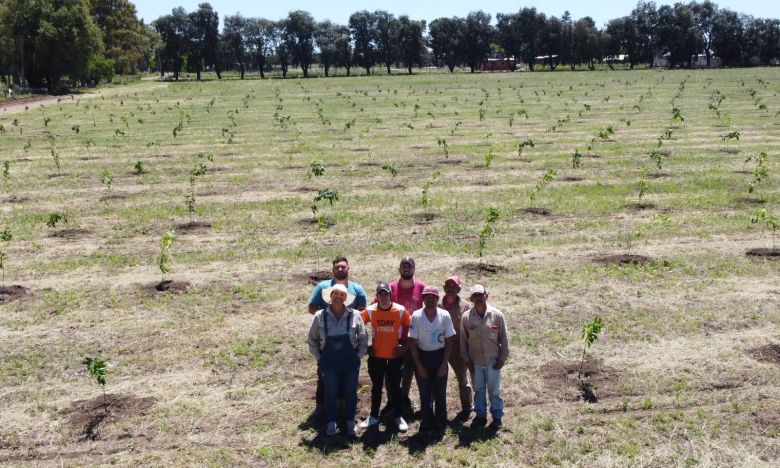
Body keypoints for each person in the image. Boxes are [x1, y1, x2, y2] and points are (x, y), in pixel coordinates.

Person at [307, 284, 368, 436]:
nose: (338, 297)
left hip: (350, 362)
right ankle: (331, 422)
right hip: (329, 363)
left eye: (342, 295)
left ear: (346, 298)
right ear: (330, 296)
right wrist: (319, 358)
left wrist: (358, 357)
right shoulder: (319, 316)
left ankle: (349, 422)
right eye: (336, 294)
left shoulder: (355, 315)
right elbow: (312, 340)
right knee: (331, 392)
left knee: (351, 393)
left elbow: (363, 338)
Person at [308, 256, 367, 412]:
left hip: (348, 344)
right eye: (337, 267)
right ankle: (321, 408)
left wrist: (358, 353)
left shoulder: (358, 289)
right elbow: (311, 308)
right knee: (324, 376)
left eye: (343, 267)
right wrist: (326, 319)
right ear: (333, 270)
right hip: (327, 342)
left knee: (347, 379)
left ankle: (343, 408)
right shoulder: (322, 287)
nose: (340, 269)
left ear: (348, 268)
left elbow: (362, 314)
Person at [359, 282, 411, 432]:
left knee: (395, 387)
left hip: (395, 356)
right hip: (377, 356)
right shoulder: (371, 310)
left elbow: (413, 327)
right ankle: (374, 416)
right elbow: (355, 324)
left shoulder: (400, 310)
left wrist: (405, 346)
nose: (383, 297)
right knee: (376, 387)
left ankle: (398, 416)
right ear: (376, 295)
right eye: (380, 294)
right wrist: (365, 347)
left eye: (385, 293)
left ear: (390, 294)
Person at [460, 284, 510, 430]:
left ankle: (497, 417)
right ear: (471, 299)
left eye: (481, 295)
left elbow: (504, 339)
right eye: (475, 296)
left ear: (486, 295)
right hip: (475, 362)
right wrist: (466, 360)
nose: (479, 298)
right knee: (479, 390)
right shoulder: (466, 317)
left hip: (493, 361)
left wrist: (502, 358)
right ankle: (480, 415)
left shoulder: (497, 315)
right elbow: (463, 340)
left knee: (495, 391)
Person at [408, 286, 455, 432]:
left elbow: (449, 341)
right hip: (423, 356)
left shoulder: (444, 315)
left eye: (433, 297)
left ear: (437, 299)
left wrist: (443, 364)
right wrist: (419, 366)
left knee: (440, 392)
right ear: (422, 299)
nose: (429, 300)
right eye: (426, 297)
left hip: (439, 356)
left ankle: (441, 421)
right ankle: (427, 420)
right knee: (424, 391)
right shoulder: (416, 316)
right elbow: (412, 343)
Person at [388, 257, 426, 415]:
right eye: (403, 266)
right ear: (399, 269)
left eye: (409, 266)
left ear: (414, 269)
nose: (406, 269)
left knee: (411, 369)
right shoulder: (390, 287)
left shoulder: (421, 287)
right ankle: (392, 401)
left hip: (415, 337)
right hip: (394, 338)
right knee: (392, 371)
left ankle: (404, 397)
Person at [439, 276, 474, 421]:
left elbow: (470, 330)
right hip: (440, 347)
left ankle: (467, 406)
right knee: (438, 378)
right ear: (444, 288)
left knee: (462, 379)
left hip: (458, 348)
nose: (451, 288)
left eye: (454, 286)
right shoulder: (437, 304)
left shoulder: (466, 307)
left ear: (459, 289)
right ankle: (436, 407)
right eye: (448, 285)